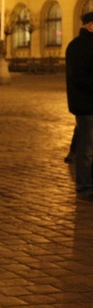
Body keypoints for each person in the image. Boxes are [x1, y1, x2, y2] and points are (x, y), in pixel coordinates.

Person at [66, 12, 93, 201]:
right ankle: (84, 186)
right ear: (90, 25)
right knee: (87, 148)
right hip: (86, 105)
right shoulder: (78, 46)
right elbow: (79, 77)